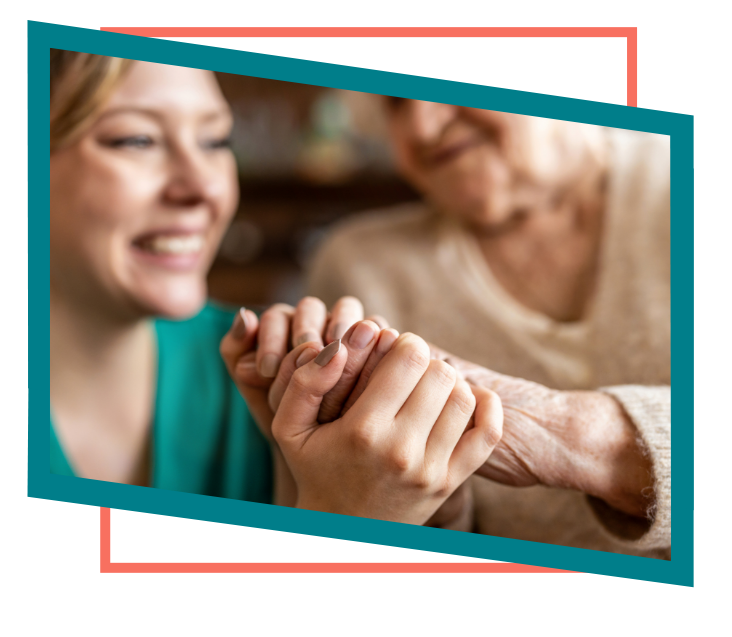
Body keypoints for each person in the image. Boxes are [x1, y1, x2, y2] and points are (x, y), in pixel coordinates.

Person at [48, 51, 503, 525]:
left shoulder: (269, 380)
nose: (204, 186)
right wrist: (348, 521)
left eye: (215, 140)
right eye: (136, 139)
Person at [304, 100, 671, 559]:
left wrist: (566, 432)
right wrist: (424, 501)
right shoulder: (364, 267)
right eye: (394, 103)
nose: (422, 125)